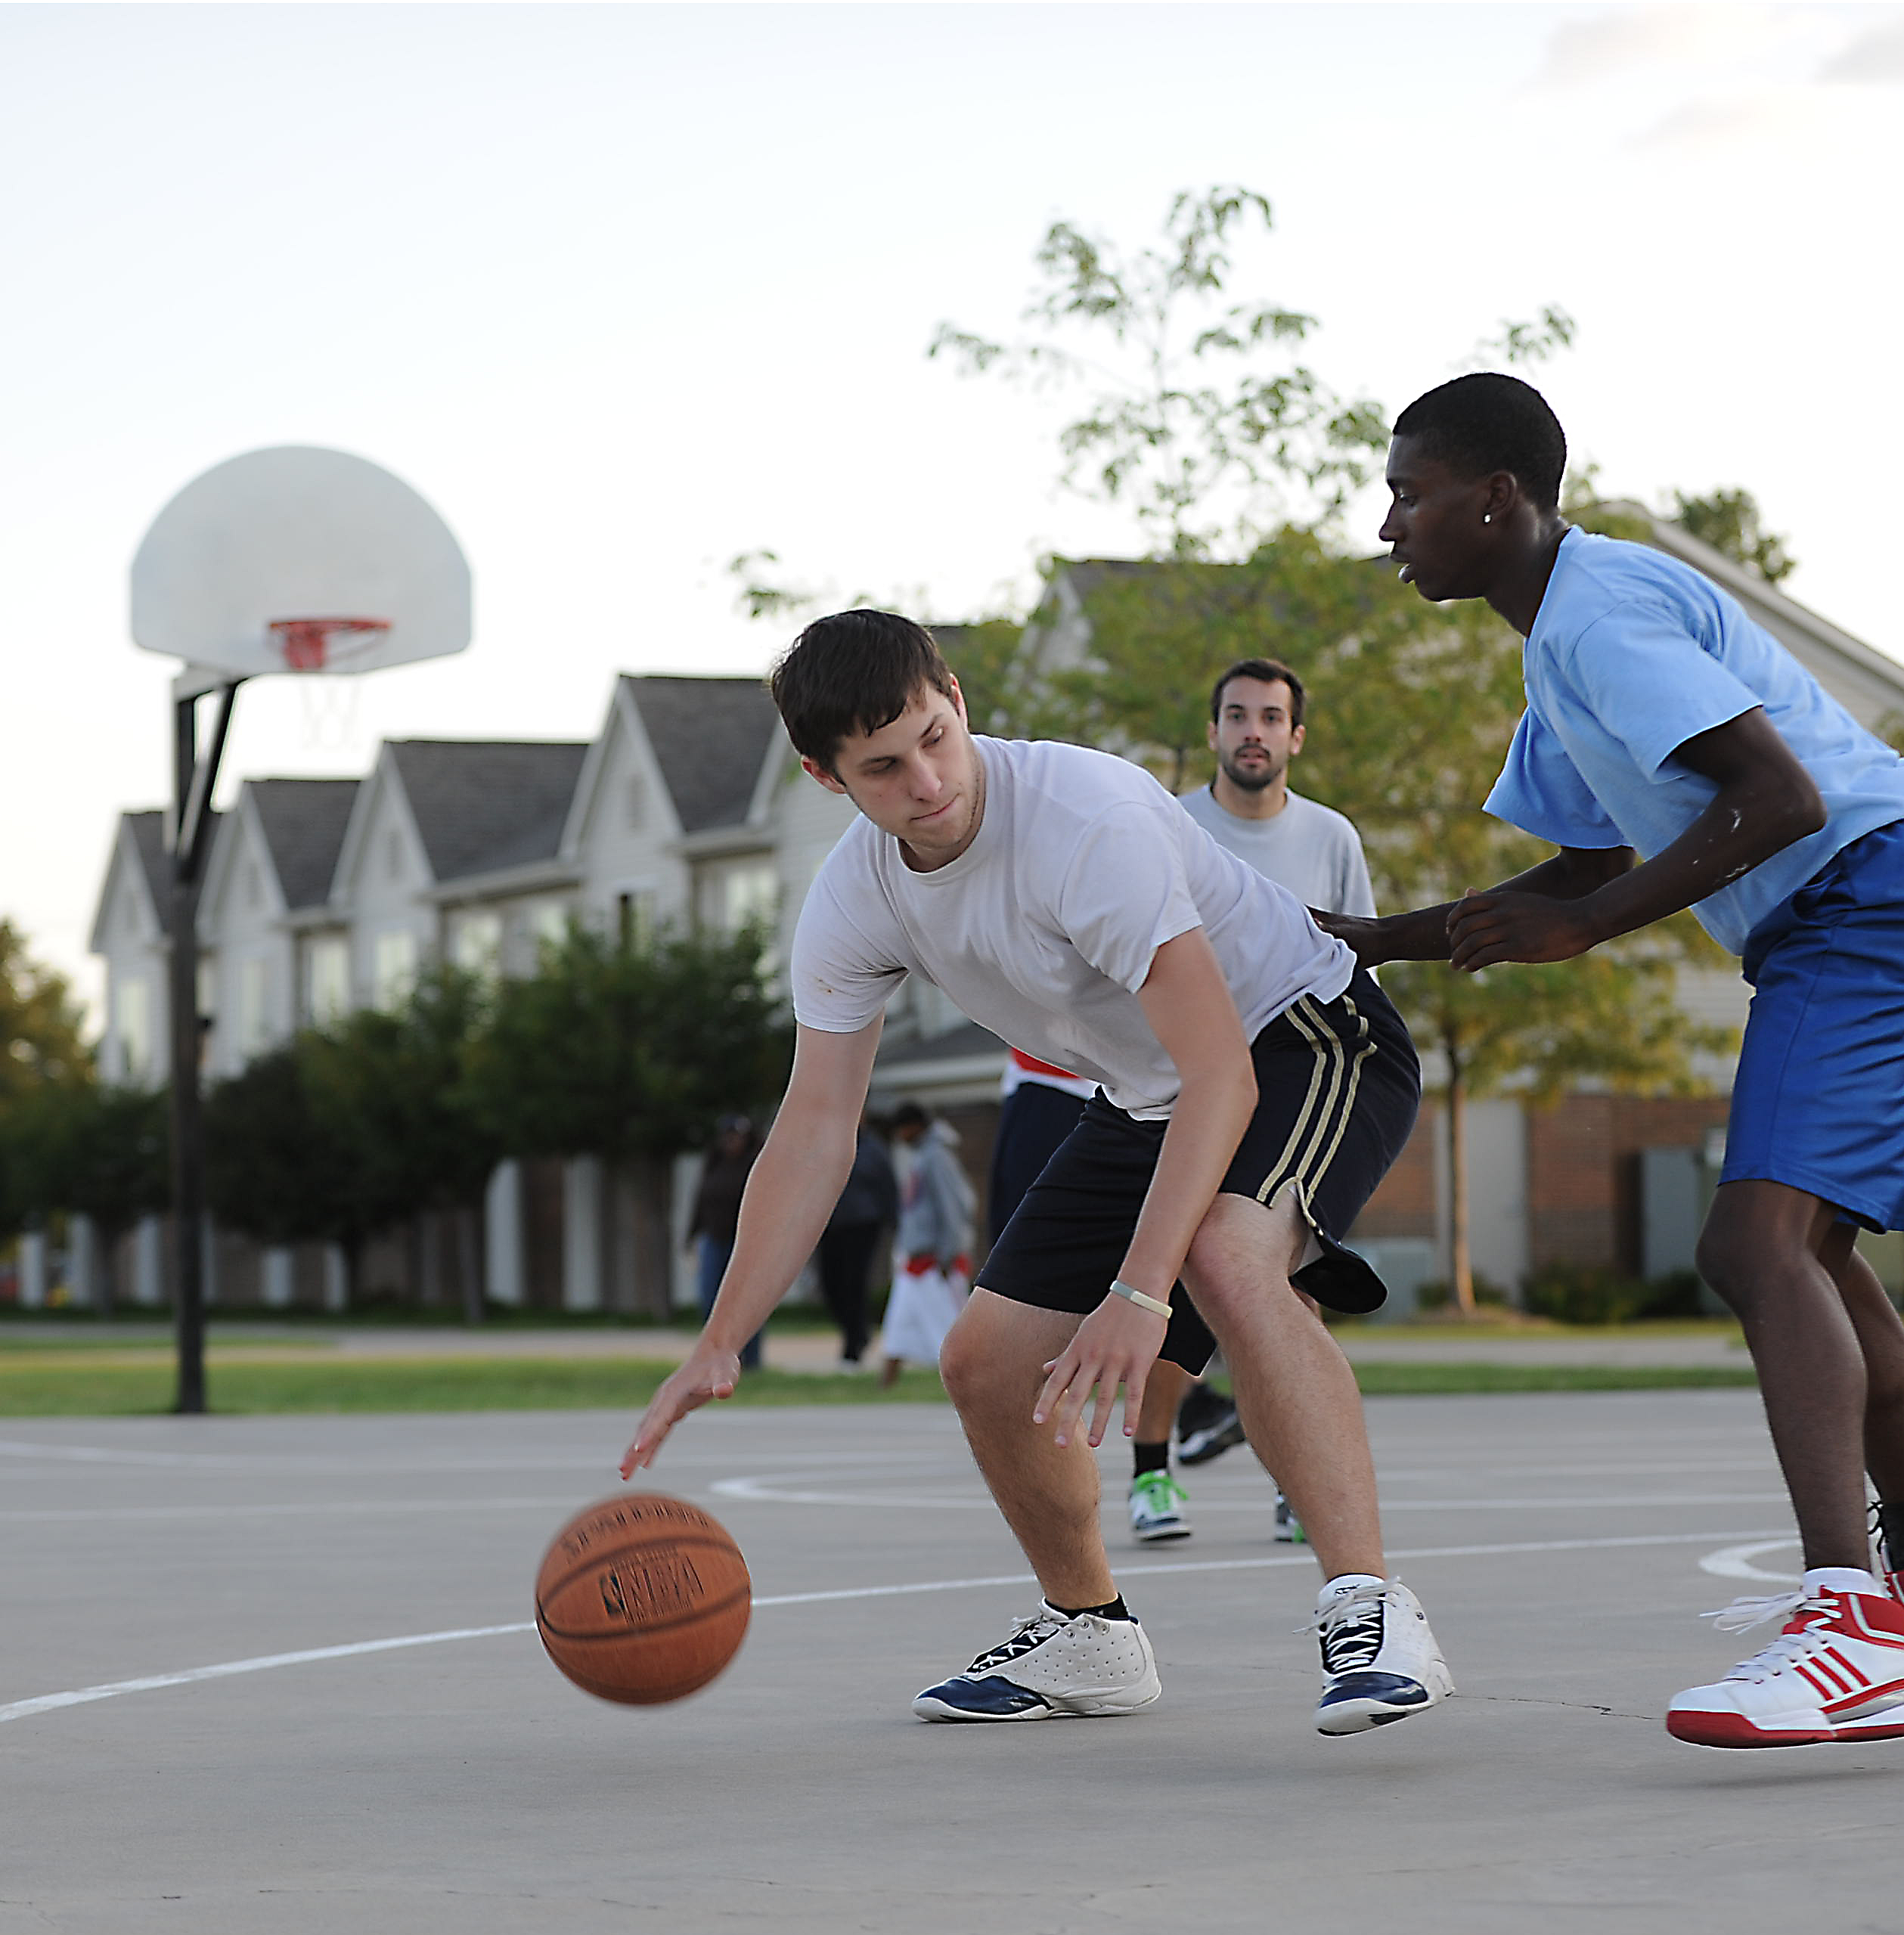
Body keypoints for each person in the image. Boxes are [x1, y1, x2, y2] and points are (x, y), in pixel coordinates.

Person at [1335, 371, 1904, 1750]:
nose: (1387, 525)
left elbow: (1778, 795)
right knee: (1811, 1253)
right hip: (1875, 894)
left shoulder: (1595, 613)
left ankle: (1853, 1625)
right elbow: (1584, 858)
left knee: (1752, 1245)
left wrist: (1588, 928)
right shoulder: (1558, 642)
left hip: (1868, 889)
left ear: (1494, 499)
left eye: (1406, 495)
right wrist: (1367, 939)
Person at [622, 609, 1451, 1735]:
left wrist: (1137, 1293)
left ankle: (1370, 1606)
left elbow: (1222, 1073)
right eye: (880, 766)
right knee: (984, 1360)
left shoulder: (1081, 820)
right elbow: (815, 1124)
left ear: (955, 699)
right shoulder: (854, 896)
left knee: (1224, 1257)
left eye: (932, 735)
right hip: (1147, 1092)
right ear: (826, 776)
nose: (924, 779)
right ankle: (1090, 1633)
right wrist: (720, 1336)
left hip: (1302, 1034)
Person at [1137, 656, 1379, 1545]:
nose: (1253, 731)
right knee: (1173, 1278)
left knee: (1282, 1279)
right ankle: (1151, 1474)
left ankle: (1294, 1477)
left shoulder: (1331, 838)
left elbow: (1360, 966)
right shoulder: (1168, 825)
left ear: (1294, 738)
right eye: (1237, 715)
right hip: (1181, 1078)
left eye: (1271, 718)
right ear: (1212, 731)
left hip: (1294, 1082)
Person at [877, 1100, 975, 1387]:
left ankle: (969, 1385)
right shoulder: (920, 1156)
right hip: (913, 1261)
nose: (899, 1137)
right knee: (897, 1329)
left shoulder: (937, 1156)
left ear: (915, 1126)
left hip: (937, 1262)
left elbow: (954, 1207)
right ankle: (885, 1388)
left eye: (901, 1130)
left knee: (952, 1333)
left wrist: (950, 1252)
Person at [814, 1115, 896, 1369]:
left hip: (862, 1226)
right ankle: (858, 1332)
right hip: (829, 1224)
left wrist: (894, 1223)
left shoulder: (874, 1151)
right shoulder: (828, 1147)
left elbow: (888, 1188)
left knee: (854, 1283)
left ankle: (853, 1345)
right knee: (830, 1286)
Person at [690, 1115, 765, 1370]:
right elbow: (700, 1201)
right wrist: (692, 1235)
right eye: (728, 1137)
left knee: (746, 1301)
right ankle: (712, 1356)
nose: (732, 1143)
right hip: (714, 1238)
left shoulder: (753, 1165)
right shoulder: (714, 1164)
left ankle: (751, 1359)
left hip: (743, 1242)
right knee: (710, 1297)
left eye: (737, 1138)